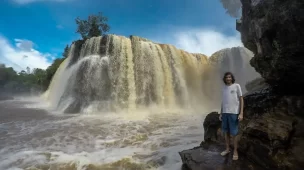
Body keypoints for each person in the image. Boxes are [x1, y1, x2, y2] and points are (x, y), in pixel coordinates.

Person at [219, 72, 244, 161]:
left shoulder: (237, 86)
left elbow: (241, 99)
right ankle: (227, 149)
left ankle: (235, 151)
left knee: (234, 133)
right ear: (225, 79)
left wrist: (241, 113)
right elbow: (223, 101)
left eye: (229, 77)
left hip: (234, 113)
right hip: (225, 113)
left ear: (232, 78)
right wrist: (221, 113)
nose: (228, 78)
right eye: (226, 77)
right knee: (226, 132)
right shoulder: (224, 88)